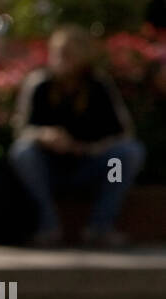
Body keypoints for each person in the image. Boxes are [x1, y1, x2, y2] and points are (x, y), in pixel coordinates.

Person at [8, 24, 147, 247]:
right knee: (22, 152)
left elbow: (124, 134)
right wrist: (44, 136)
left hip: (89, 167)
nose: (62, 59)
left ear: (83, 55)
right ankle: (48, 226)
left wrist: (87, 149)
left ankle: (100, 227)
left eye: (69, 53)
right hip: (47, 169)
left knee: (128, 154)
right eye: (58, 53)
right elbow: (21, 131)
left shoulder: (99, 86)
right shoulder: (39, 85)